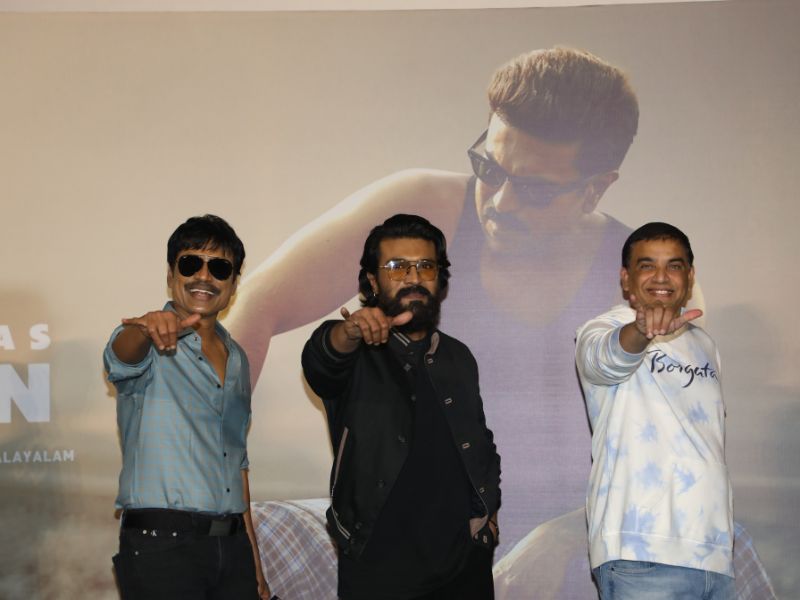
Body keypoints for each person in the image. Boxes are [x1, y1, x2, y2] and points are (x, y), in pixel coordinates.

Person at [230, 47, 647, 559]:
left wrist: (567, 542)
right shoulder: (421, 211)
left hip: (573, 551)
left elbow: (671, 468)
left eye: (535, 191)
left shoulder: (644, 285)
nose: (500, 203)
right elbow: (257, 304)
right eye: (490, 169)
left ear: (597, 188)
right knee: (241, 545)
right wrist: (213, 473)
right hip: (394, 536)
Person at [301, 214, 501, 600]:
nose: (413, 277)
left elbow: (480, 442)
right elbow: (322, 359)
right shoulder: (354, 349)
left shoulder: (458, 356)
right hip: (378, 567)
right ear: (373, 281)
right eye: (397, 267)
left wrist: (488, 517)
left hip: (464, 567)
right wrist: (349, 331)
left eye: (426, 266)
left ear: (440, 279)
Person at [104, 215, 274, 600]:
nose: (204, 276)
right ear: (171, 273)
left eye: (219, 267)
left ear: (233, 282)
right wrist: (144, 329)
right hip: (162, 547)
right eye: (191, 263)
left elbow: (237, 464)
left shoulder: (237, 358)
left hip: (232, 549)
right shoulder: (147, 337)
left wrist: (254, 563)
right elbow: (121, 354)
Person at [575, 222, 734, 598]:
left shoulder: (705, 345)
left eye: (674, 266)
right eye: (647, 265)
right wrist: (641, 330)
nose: (661, 277)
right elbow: (606, 359)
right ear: (625, 278)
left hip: (713, 556)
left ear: (689, 277)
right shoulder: (603, 329)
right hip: (641, 553)